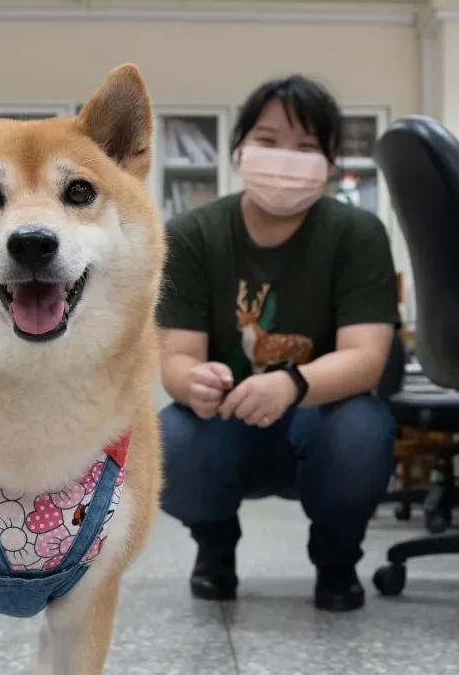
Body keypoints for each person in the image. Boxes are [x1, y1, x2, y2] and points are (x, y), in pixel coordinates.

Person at [157, 76, 399, 612]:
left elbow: (367, 360)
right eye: (268, 140)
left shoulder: (357, 234)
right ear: (239, 148)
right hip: (227, 425)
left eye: (307, 147)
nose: (286, 158)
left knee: (363, 429)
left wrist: (291, 385)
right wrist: (192, 382)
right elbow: (175, 358)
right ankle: (215, 547)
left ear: (331, 161)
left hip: (322, 423)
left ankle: (337, 558)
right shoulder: (193, 235)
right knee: (170, 439)